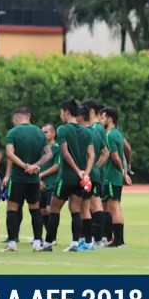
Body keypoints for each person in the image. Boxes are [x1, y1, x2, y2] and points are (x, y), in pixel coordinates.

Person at [42, 99, 94, 252]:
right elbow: (91, 155)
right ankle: (75, 243)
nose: (60, 116)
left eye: (61, 113)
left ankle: (48, 243)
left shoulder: (63, 129)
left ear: (66, 112)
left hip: (66, 177)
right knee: (75, 209)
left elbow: (65, 153)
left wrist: (77, 171)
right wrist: (86, 174)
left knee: (54, 209)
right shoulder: (86, 131)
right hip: (80, 179)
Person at [3, 107, 52, 252]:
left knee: (12, 208)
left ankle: (12, 243)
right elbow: (48, 154)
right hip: (34, 179)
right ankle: (37, 242)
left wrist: (25, 166)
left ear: (16, 119)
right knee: (35, 208)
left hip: (18, 177)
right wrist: (35, 166)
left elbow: (10, 154)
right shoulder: (39, 132)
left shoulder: (13, 133)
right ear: (28, 117)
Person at [78, 102, 109, 250]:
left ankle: (93, 239)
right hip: (95, 174)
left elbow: (103, 153)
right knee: (93, 206)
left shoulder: (93, 129)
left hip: (90, 175)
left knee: (90, 206)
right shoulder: (97, 130)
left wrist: (91, 168)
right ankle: (97, 239)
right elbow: (105, 152)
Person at [101, 107, 132, 247]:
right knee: (112, 206)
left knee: (114, 207)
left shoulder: (110, 135)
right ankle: (117, 240)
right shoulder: (118, 133)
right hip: (115, 177)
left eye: (103, 118)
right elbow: (127, 149)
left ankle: (118, 240)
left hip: (112, 176)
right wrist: (127, 169)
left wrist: (123, 172)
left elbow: (115, 157)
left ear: (109, 119)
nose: (101, 120)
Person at [38, 124, 60, 244]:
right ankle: (47, 235)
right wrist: (39, 179)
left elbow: (57, 166)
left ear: (53, 134)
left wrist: (41, 175)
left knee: (50, 209)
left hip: (52, 183)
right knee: (42, 211)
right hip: (41, 183)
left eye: (46, 132)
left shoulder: (57, 148)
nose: (43, 135)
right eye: (42, 132)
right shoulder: (42, 149)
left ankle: (52, 238)